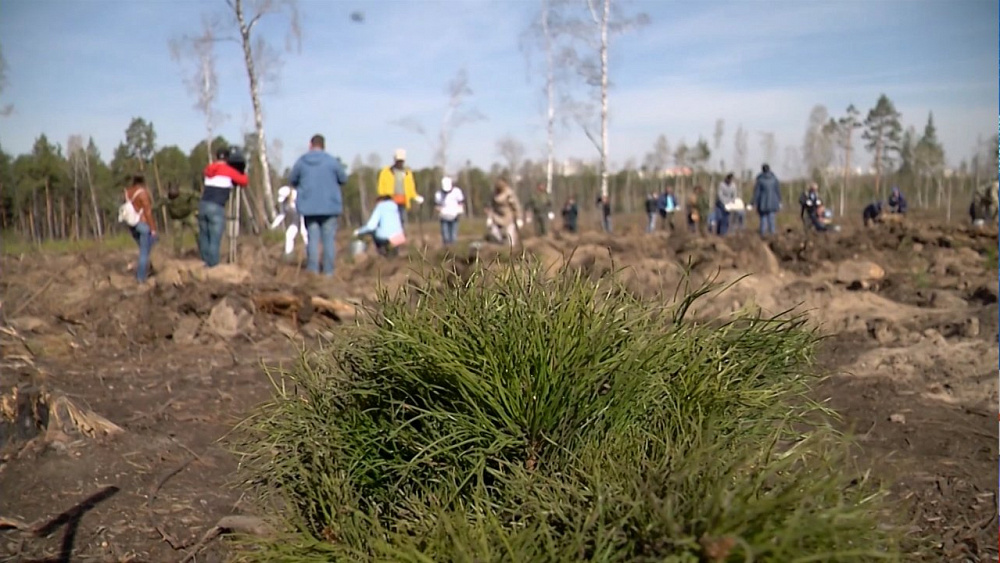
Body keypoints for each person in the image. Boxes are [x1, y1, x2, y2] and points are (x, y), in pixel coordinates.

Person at [288, 134, 347, 276]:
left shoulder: (301, 162)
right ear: (324, 145)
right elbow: (343, 178)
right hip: (330, 207)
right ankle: (328, 273)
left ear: (310, 145)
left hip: (309, 207)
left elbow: (292, 179)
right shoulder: (332, 161)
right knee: (328, 240)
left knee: (312, 239)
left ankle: (312, 272)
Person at [198, 147, 248, 267]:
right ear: (227, 158)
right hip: (216, 206)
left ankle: (205, 262)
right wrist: (241, 170)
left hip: (203, 205)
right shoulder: (228, 170)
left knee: (205, 236)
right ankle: (213, 266)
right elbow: (244, 181)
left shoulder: (208, 169)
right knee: (215, 239)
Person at [376, 149, 424, 229]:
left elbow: (411, 188)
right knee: (391, 221)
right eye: (398, 160)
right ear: (395, 159)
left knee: (402, 220)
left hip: (403, 201)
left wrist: (416, 196)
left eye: (401, 161)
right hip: (390, 201)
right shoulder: (386, 172)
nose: (400, 162)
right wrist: (382, 198)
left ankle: (400, 238)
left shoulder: (408, 173)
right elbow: (381, 187)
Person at [123, 175, 158, 283]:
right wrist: (153, 228)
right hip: (143, 224)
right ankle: (141, 277)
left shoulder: (127, 192)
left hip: (132, 224)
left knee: (146, 248)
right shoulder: (142, 193)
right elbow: (147, 212)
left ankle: (147, 267)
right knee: (145, 250)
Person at [156, 182, 199, 256]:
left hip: (188, 215)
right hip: (176, 218)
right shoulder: (167, 198)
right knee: (177, 235)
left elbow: (196, 195)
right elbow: (158, 205)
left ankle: (202, 249)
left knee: (197, 231)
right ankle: (177, 253)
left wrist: (196, 207)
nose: (173, 193)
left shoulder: (185, 193)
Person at [270, 186, 308, 262]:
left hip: (304, 217)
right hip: (296, 219)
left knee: (305, 234)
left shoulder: (297, 196)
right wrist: (274, 225)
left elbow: (303, 211)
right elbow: (282, 214)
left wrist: (303, 227)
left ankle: (310, 255)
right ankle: (288, 255)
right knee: (289, 234)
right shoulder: (284, 203)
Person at [487, 178, 523, 246]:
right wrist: (489, 217)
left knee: (510, 237)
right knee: (494, 232)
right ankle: (500, 244)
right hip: (497, 216)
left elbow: (516, 206)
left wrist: (519, 218)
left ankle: (511, 250)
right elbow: (491, 207)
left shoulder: (509, 193)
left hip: (508, 217)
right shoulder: (494, 194)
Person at [434, 176, 465, 246]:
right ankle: (446, 250)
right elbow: (437, 206)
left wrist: (459, 211)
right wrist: (439, 210)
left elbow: (461, 203)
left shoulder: (457, 191)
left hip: (455, 216)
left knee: (453, 236)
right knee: (445, 236)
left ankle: (453, 250)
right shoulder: (438, 194)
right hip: (444, 217)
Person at [752, 164, 781, 236]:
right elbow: (778, 191)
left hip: (762, 203)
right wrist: (779, 201)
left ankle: (763, 235)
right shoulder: (774, 179)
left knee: (763, 219)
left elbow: (757, 193)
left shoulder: (760, 180)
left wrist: (753, 202)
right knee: (772, 219)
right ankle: (772, 234)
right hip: (773, 202)